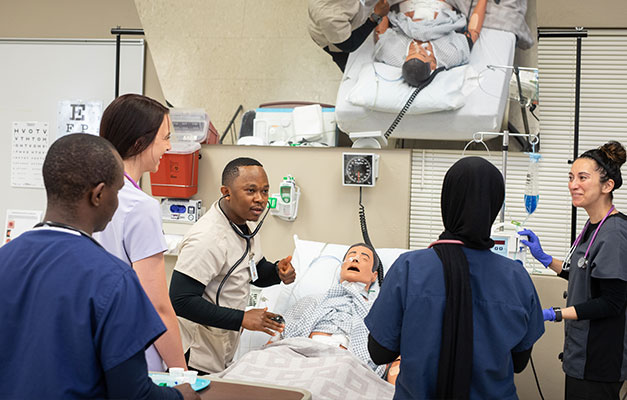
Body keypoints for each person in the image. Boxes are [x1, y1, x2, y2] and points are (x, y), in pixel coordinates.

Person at [0, 134, 198, 399]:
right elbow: (132, 394)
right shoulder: (114, 280)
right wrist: (181, 395)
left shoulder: (6, 259)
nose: (117, 203)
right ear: (98, 195)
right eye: (117, 192)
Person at [365, 157, 544, 399]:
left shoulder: (409, 268)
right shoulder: (517, 277)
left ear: (447, 201)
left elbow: (379, 353)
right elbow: (520, 362)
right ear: (494, 205)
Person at [519, 141, 627, 400]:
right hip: (582, 355)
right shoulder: (594, 225)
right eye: (570, 177)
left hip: (599, 359)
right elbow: (583, 274)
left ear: (607, 185)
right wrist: (544, 258)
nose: (573, 185)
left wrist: (554, 314)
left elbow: (611, 302)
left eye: (582, 178)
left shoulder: (613, 233)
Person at [169, 157, 297, 374]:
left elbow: (252, 270)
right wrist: (243, 318)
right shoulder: (207, 239)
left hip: (220, 345)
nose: (260, 199)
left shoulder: (244, 225)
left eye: (265, 191)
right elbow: (181, 300)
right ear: (226, 192)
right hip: (194, 352)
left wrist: (276, 272)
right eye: (251, 191)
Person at [93, 94, 187, 372]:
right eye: (165, 138)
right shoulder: (139, 206)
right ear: (140, 142)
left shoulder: (86, 195)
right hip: (131, 355)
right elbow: (156, 306)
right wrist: (182, 374)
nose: (169, 147)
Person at [282, 243, 386, 376]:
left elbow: (388, 350)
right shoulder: (313, 300)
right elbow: (279, 334)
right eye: (351, 256)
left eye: (364, 259)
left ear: (374, 276)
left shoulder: (377, 310)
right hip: (301, 357)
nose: (355, 259)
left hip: (343, 364)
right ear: (342, 267)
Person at [374, 0, 487, 87]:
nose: (417, 47)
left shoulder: (391, 54)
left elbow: (381, 30)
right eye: (423, 54)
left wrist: (382, 3)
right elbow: (473, 32)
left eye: (412, 52)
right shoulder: (451, 54)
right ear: (432, 64)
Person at [309, 0, 390, 71]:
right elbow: (349, 45)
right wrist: (375, 18)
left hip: (350, 20)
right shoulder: (329, 16)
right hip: (336, 40)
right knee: (353, 69)